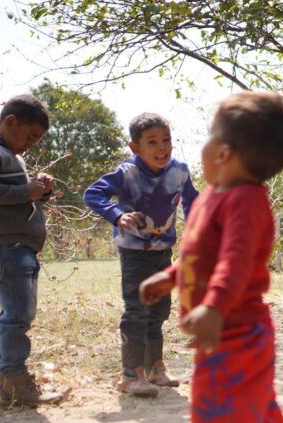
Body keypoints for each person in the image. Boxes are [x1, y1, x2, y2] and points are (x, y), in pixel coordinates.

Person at [139, 91, 283, 423]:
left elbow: (235, 263)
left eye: (208, 134)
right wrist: (172, 277)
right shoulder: (217, 199)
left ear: (223, 152)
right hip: (235, 328)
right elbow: (205, 256)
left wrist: (214, 306)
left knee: (219, 406)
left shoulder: (245, 201)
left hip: (236, 329)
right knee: (253, 406)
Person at [0, 94, 69, 407]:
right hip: (7, 246)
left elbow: (19, 197)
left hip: (22, 245)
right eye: (30, 136)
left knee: (22, 312)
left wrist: (39, 190)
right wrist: (26, 190)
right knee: (16, 314)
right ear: (10, 122)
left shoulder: (11, 155)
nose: (31, 144)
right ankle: (15, 378)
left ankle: (8, 386)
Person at [83, 113, 199, 397]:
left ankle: (155, 368)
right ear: (135, 147)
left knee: (158, 311)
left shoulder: (179, 171)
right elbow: (93, 194)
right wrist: (117, 214)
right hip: (134, 253)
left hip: (163, 252)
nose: (162, 148)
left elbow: (193, 204)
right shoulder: (128, 172)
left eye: (166, 140)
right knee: (137, 310)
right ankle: (130, 375)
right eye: (152, 142)